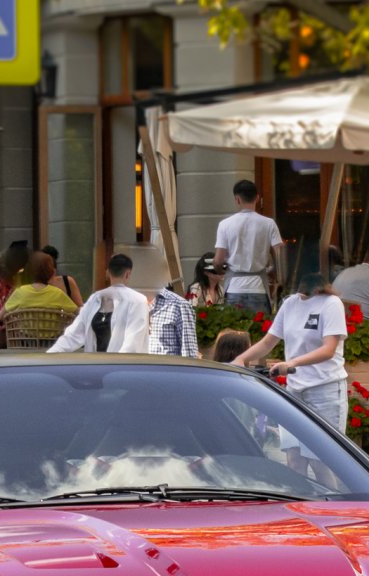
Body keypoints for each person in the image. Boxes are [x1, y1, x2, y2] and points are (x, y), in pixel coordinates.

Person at [233, 273, 348, 476]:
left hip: (324, 389)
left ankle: (331, 507)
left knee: (320, 461)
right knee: (294, 459)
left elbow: (329, 348)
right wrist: (240, 360)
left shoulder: (331, 303)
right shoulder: (290, 304)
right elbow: (269, 341)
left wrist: (292, 362)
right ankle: (298, 506)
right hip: (295, 391)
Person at [48, 254, 150, 353]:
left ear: (108, 273)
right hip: (99, 365)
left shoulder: (96, 298)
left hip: (121, 367)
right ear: (127, 274)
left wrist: (49, 355)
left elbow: (73, 336)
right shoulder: (96, 298)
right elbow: (133, 342)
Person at [214, 179, 285, 315]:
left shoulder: (225, 224)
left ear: (237, 199)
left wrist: (219, 269)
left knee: (234, 333)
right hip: (259, 286)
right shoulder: (269, 223)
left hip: (234, 287)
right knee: (259, 332)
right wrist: (273, 271)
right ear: (257, 198)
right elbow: (280, 254)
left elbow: (218, 260)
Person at [3, 252, 78, 315]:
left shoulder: (20, 292)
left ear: (29, 272)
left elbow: (1, 315)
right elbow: (77, 312)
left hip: (25, 333)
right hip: (54, 332)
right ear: (51, 272)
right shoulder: (58, 294)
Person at [146, 284, 200, 358]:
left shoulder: (179, 304)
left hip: (166, 368)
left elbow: (189, 354)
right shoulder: (130, 302)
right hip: (134, 368)